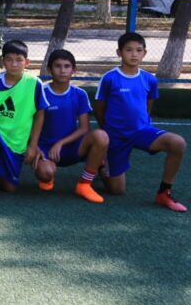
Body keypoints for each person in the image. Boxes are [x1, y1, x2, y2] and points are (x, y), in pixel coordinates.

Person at [95, 32, 186, 212]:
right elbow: (99, 109)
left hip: (141, 131)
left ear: (145, 53)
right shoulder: (110, 78)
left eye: (138, 50)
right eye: (128, 50)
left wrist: (144, 125)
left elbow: (148, 106)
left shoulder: (149, 79)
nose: (134, 54)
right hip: (116, 136)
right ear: (119, 52)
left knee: (178, 143)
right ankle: (102, 165)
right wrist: (107, 133)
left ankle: (164, 193)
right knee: (117, 191)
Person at [0, 39, 48, 204]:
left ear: (27, 62)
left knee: (10, 187)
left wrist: (33, 145)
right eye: (9, 59)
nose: (14, 64)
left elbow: (40, 114)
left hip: (16, 136)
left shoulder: (34, 83)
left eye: (19, 60)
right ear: (2, 61)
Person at [38, 49, 108, 204]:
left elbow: (84, 128)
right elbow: (31, 124)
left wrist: (61, 143)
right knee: (45, 174)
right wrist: (35, 147)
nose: (62, 70)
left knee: (101, 136)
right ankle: (48, 174)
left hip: (71, 147)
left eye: (67, 66)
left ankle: (84, 184)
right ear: (49, 69)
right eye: (57, 66)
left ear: (74, 70)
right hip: (46, 148)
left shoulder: (80, 94)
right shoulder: (41, 92)